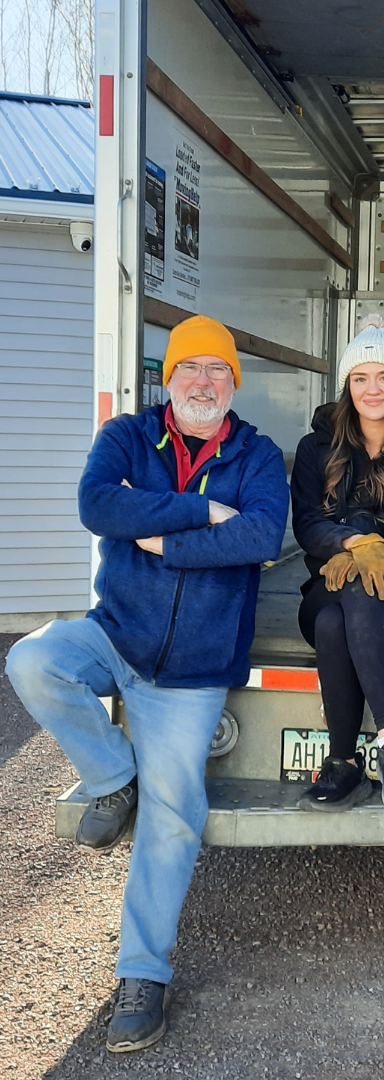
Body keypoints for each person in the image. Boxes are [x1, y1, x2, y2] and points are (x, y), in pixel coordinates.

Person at [5, 315, 289, 1052]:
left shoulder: (258, 454)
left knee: (176, 810)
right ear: (169, 378)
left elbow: (260, 536)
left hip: (195, 671)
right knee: (30, 660)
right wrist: (199, 512)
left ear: (234, 383)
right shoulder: (127, 438)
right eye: (190, 369)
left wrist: (155, 534)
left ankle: (141, 973)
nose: (202, 382)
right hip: (115, 633)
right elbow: (98, 506)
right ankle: (112, 774)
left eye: (217, 372)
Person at [290, 314, 384, 809]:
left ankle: (343, 765)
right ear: (346, 386)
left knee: (341, 619)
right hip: (325, 593)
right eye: (360, 378)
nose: (371, 389)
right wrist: (357, 546)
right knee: (341, 601)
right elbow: (308, 526)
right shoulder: (316, 448)